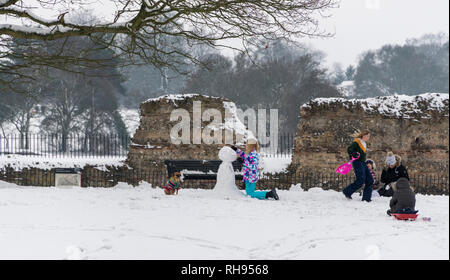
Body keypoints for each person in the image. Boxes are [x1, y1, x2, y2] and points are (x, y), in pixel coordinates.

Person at [342, 130, 373, 202]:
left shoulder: (364, 143)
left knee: (370, 179)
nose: (368, 138)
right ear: (363, 135)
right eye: (367, 136)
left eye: (369, 136)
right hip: (357, 162)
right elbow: (349, 149)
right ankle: (347, 191)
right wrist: (353, 153)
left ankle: (366, 198)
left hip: (363, 162)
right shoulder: (357, 142)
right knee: (361, 180)